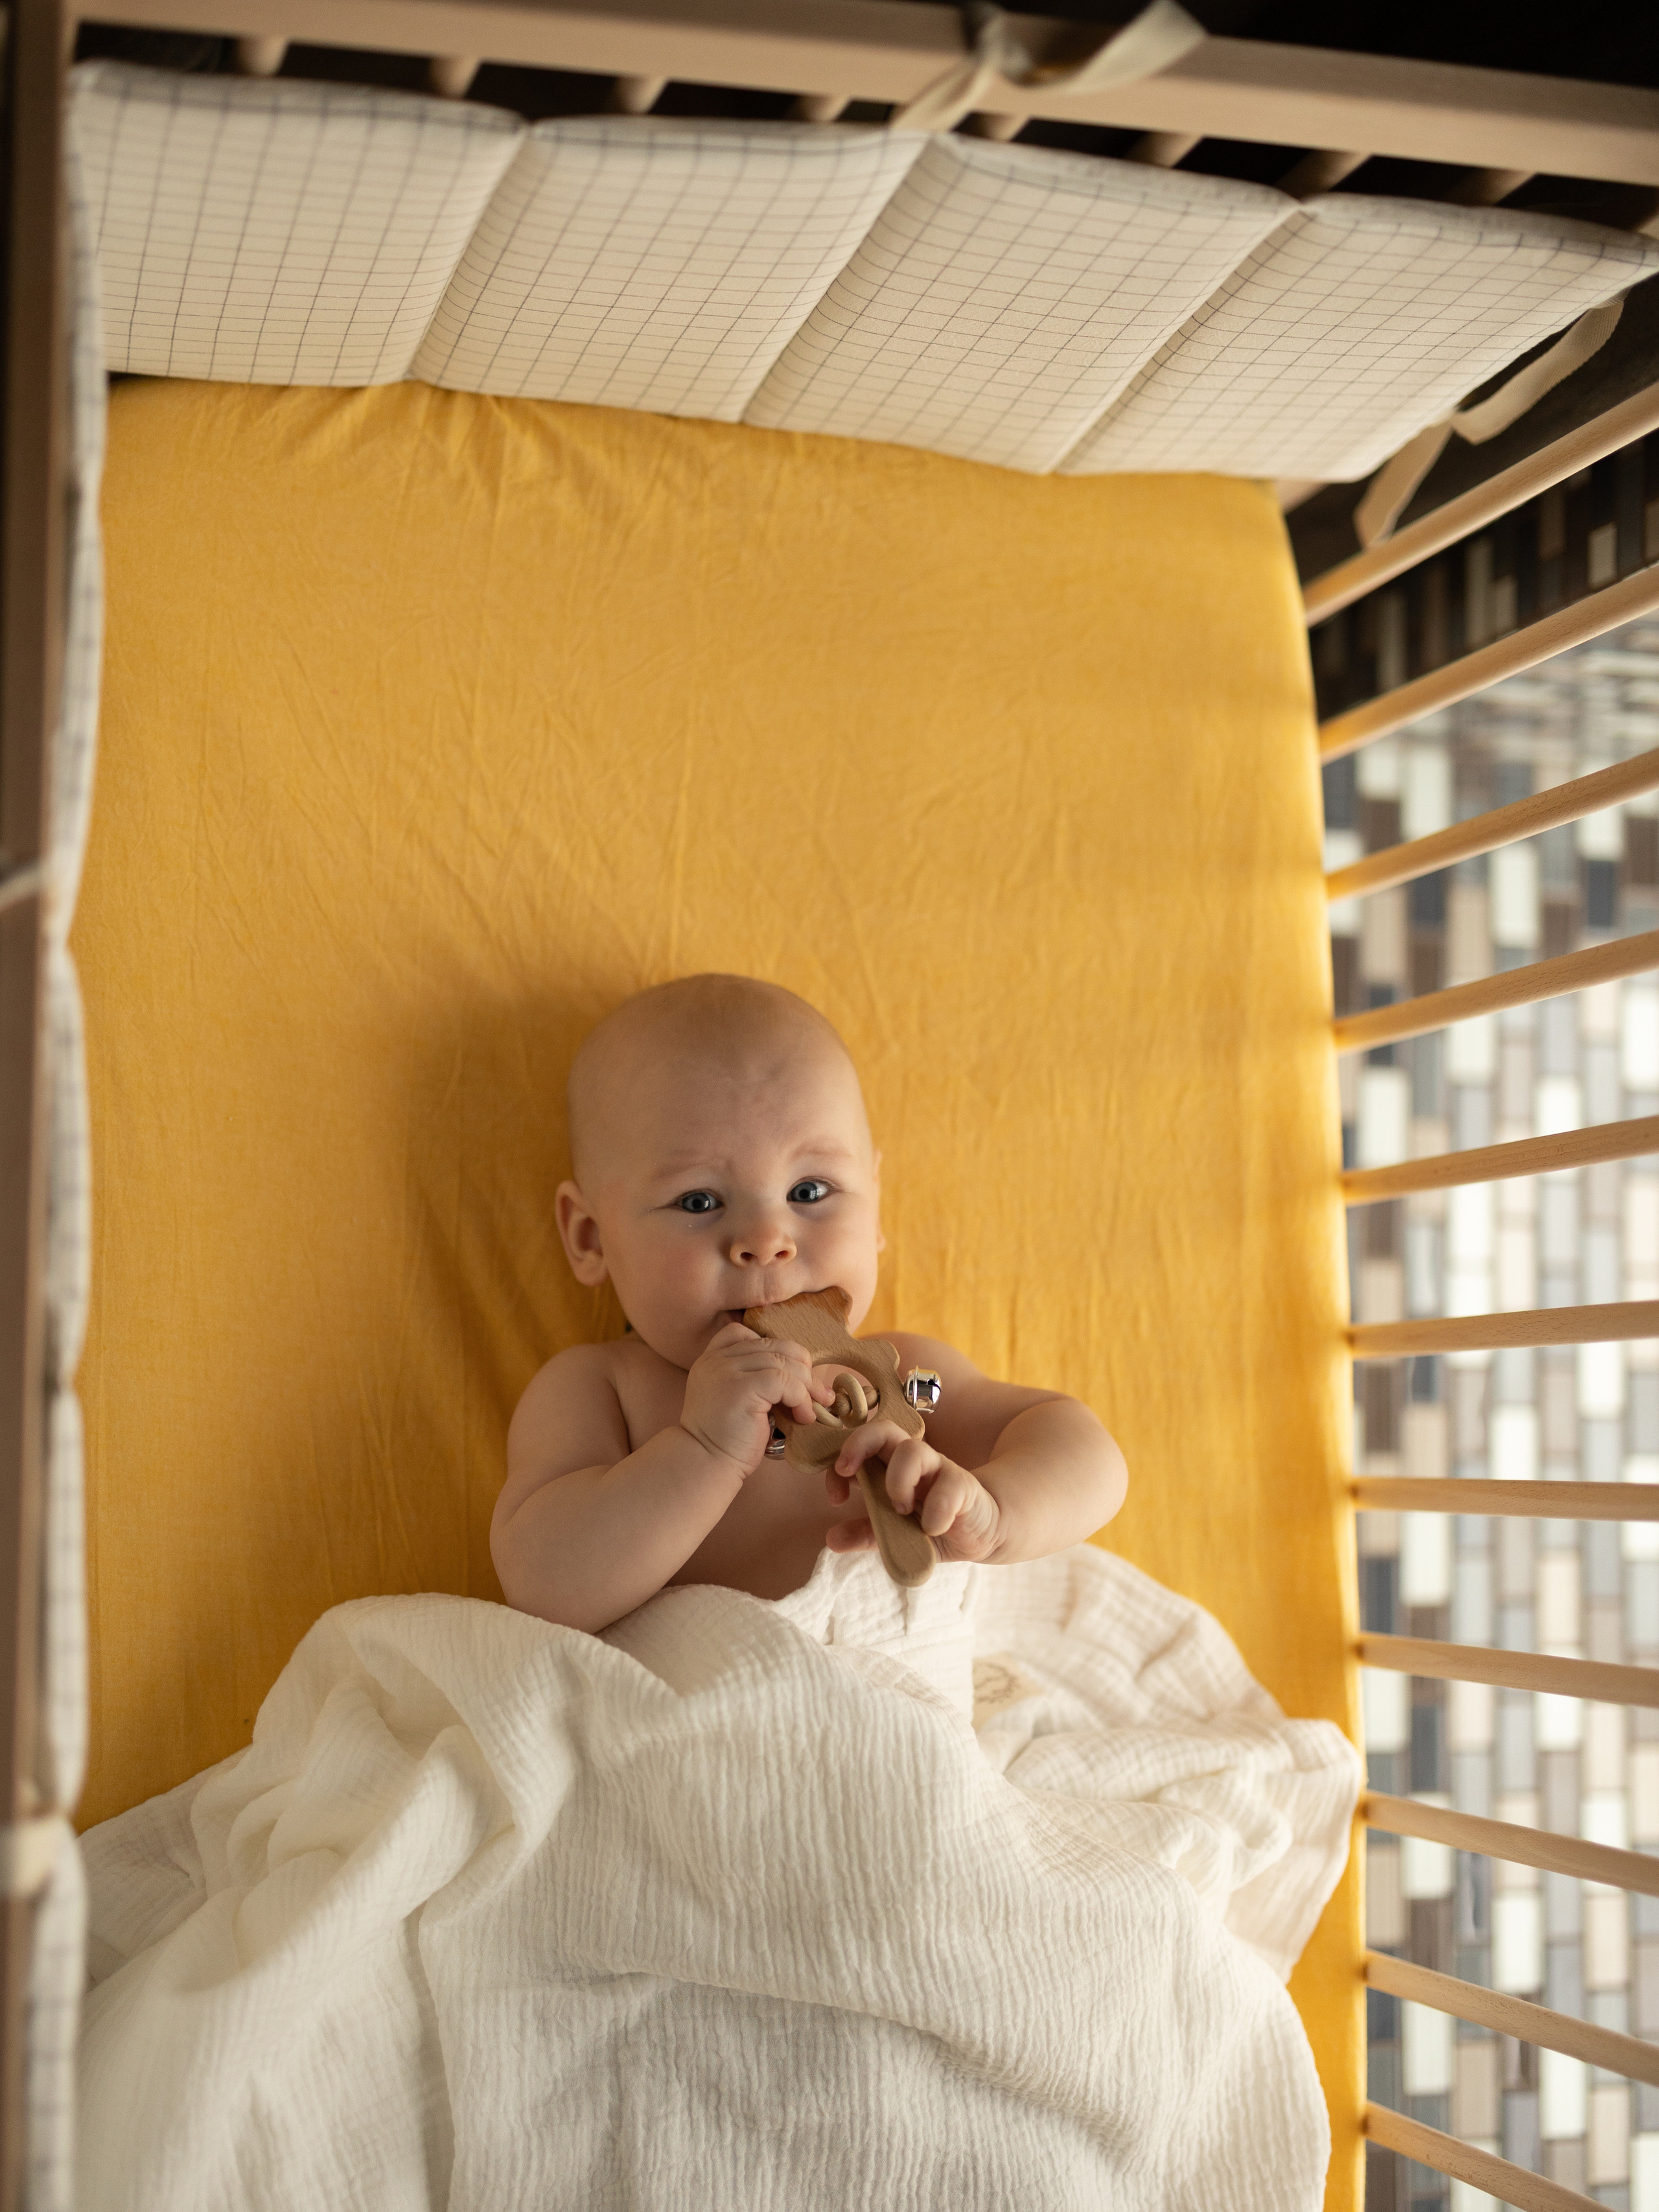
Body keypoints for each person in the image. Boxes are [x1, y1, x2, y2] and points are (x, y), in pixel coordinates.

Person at [493, 974, 1127, 1632]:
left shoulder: (911, 1383)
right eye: (699, 1201)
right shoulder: (603, 1392)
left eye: (810, 1190)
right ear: (590, 1236)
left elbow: (1081, 1449)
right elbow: (542, 1584)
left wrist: (995, 1513)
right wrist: (702, 1446)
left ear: (875, 1205)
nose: (767, 1242)